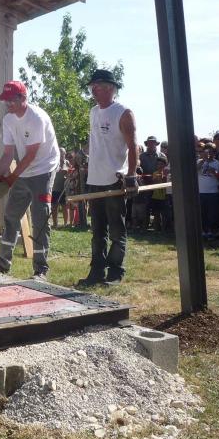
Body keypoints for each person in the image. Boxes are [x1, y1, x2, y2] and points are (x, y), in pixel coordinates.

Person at [0, 80, 60, 278]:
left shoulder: (36, 118)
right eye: (5, 100)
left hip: (44, 168)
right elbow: (8, 154)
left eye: (11, 100)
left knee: (40, 218)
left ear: (22, 98)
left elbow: (31, 155)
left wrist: (9, 180)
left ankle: (41, 269)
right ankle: (2, 263)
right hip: (24, 170)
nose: (8, 104)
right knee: (10, 216)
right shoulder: (9, 120)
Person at [78, 69, 138, 287]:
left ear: (112, 89)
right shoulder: (93, 111)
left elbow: (133, 146)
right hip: (95, 180)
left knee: (116, 230)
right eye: (92, 87)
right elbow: (98, 143)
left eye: (100, 86)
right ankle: (96, 272)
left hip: (114, 179)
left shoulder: (122, 112)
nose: (95, 90)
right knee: (97, 231)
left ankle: (115, 272)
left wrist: (131, 175)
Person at [197, 143, 219, 239]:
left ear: (214, 153)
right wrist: (202, 161)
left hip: (213, 192)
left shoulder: (218, 164)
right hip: (200, 192)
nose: (208, 154)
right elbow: (193, 172)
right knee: (202, 214)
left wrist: (215, 172)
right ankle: (204, 231)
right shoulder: (199, 162)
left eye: (211, 152)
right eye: (206, 152)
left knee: (213, 214)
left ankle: (213, 232)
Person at [51, 147, 70, 228]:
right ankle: (55, 224)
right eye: (61, 153)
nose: (62, 155)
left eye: (63, 153)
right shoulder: (55, 162)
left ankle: (66, 224)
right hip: (54, 188)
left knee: (65, 206)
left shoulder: (67, 162)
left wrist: (67, 173)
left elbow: (70, 172)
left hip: (64, 188)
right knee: (54, 206)